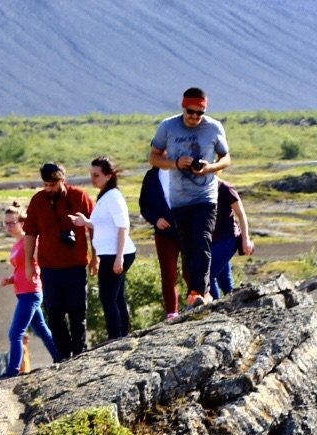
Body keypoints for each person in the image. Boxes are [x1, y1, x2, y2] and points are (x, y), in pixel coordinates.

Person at [150, 87, 231, 309]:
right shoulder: (168, 126)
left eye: (200, 113)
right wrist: (176, 163)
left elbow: (226, 158)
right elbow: (154, 157)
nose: (195, 117)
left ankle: (199, 292)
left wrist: (210, 168)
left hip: (205, 195)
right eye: (191, 112)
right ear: (183, 107)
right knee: (188, 246)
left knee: (203, 239)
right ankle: (201, 292)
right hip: (179, 198)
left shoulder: (214, 127)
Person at [21, 162, 95, 360]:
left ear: (63, 180)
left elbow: (93, 227)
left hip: (77, 265)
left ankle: (79, 352)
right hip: (49, 267)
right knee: (54, 313)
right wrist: (29, 264)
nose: (48, 189)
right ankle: (63, 354)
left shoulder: (79, 196)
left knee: (78, 312)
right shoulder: (38, 200)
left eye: (52, 185)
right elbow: (29, 233)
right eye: (45, 185)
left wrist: (95, 258)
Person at [0, 202, 59, 376]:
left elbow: (39, 261)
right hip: (23, 292)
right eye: (6, 223)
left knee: (15, 334)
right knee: (42, 330)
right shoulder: (17, 244)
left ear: (22, 223)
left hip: (31, 293)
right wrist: (10, 279)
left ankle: (12, 371)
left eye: (12, 223)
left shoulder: (30, 241)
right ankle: (60, 357)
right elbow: (20, 269)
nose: (8, 226)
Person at [88, 158, 136, 339]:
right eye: (92, 175)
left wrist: (119, 257)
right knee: (116, 297)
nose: (93, 179)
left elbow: (123, 226)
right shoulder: (105, 195)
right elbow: (104, 224)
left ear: (108, 176)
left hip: (114, 254)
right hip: (109, 253)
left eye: (97, 175)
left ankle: (116, 337)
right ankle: (121, 335)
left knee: (108, 298)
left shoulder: (113, 196)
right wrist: (84, 222)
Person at [138, 166, 180, 320]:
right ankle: (172, 314)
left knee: (192, 270)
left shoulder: (181, 169)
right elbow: (144, 205)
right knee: (168, 273)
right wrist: (156, 219)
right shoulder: (150, 176)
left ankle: (197, 305)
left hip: (186, 228)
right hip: (164, 233)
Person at [209, 180, 255, 298]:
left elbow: (241, 214)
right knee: (224, 281)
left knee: (207, 275)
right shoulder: (202, 189)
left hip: (228, 238)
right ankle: (235, 307)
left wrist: (246, 240)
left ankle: (214, 308)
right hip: (213, 241)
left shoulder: (226, 188)